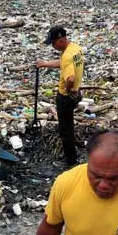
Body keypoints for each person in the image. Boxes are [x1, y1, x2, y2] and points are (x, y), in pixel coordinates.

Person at [36, 26, 85, 167]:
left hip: (66, 97)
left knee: (65, 129)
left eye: (53, 43)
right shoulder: (75, 49)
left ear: (61, 40)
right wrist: (44, 64)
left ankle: (70, 161)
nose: (53, 46)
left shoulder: (67, 56)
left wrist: (68, 91)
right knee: (68, 125)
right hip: (76, 93)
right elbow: (63, 63)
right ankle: (73, 152)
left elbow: (70, 78)